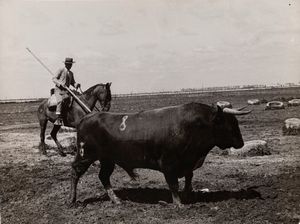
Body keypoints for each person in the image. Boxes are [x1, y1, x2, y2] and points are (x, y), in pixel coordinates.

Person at [52, 57, 80, 125]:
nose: (70, 66)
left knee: (75, 100)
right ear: (65, 64)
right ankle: (58, 118)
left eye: (71, 64)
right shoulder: (61, 70)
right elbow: (54, 79)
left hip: (67, 91)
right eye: (68, 64)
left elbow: (73, 82)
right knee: (60, 101)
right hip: (59, 90)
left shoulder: (71, 73)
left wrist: (76, 85)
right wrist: (60, 84)